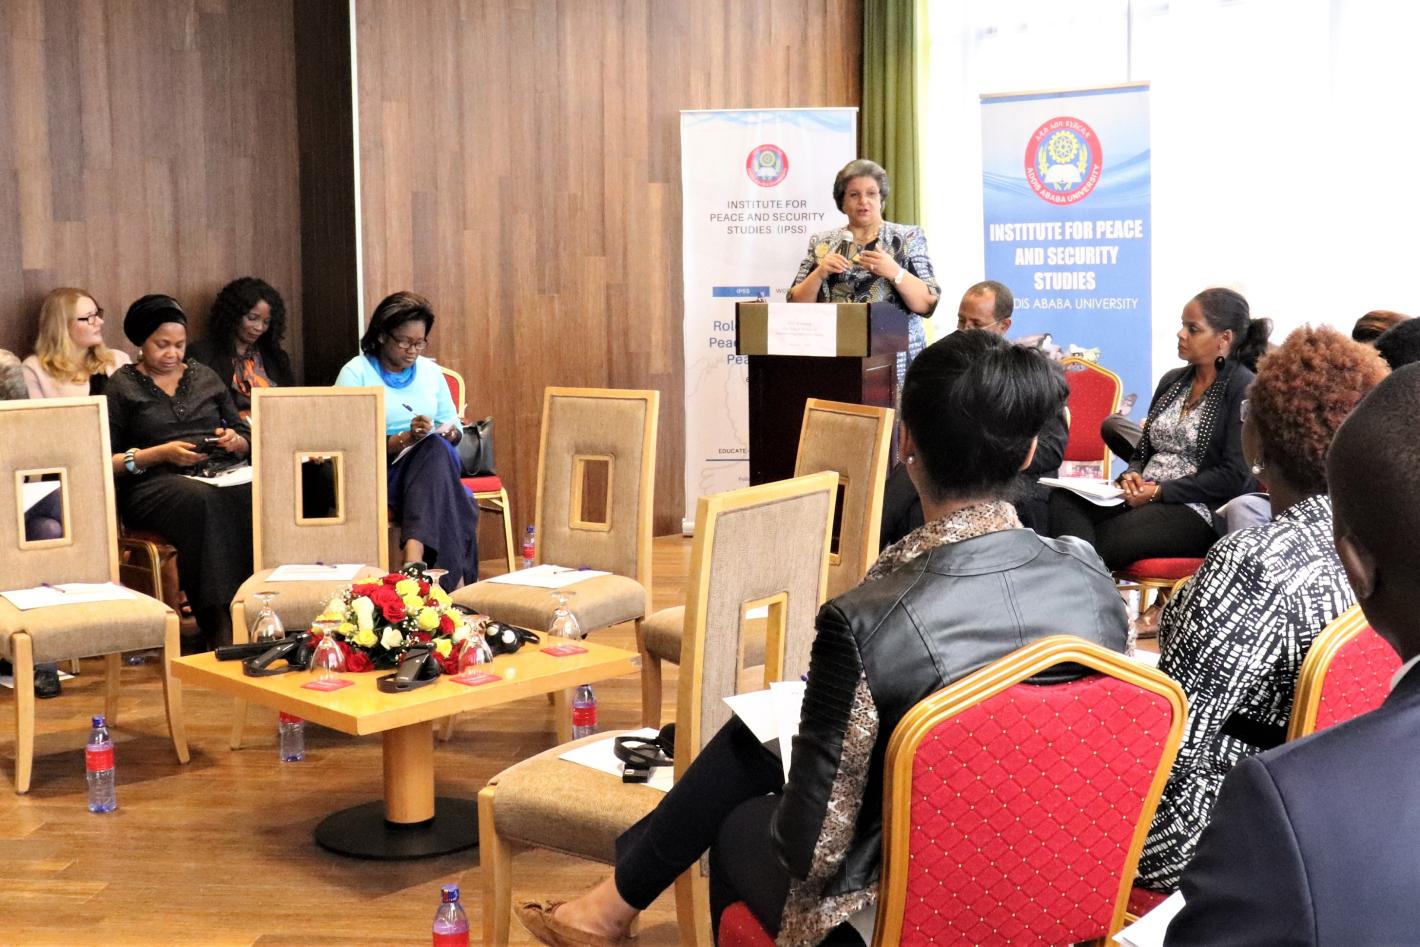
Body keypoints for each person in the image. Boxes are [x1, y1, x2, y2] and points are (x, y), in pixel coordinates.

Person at [513, 331, 1128, 947]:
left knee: (738, 821)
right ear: (1028, 453)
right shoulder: (1090, 579)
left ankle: (606, 910)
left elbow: (810, 852)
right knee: (757, 736)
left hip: (911, 914)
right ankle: (606, 910)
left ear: (906, 443)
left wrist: (802, 780)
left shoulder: (864, 620)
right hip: (1060, 890)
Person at [1164, 363, 1420, 945]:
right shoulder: (1363, 531)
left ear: (1359, 568)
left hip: (1235, 834)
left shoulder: (1254, 563)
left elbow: (1179, 744)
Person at [1134, 327, 1387, 893]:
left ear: (1259, 444)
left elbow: (1175, 740)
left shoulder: (1253, 563)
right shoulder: (1375, 546)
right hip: (1339, 813)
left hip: (1224, 827)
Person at [1048, 288, 1270, 570]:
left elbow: (1234, 476)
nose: (1181, 334)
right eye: (1182, 325)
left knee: (1097, 542)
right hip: (1146, 495)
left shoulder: (1243, 387)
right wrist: (1132, 475)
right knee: (1062, 501)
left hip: (1198, 508)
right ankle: (1087, 588)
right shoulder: (1172, 381)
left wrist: (1160, 492)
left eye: (1193, 329)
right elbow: (1143, 450)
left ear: (1224, 338)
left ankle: (1083, 589)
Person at [106, 295, 253, 648]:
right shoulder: (121, 386)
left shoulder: (204, 376)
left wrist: (235, 441)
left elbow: (244, 435)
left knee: (256, 492)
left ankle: (255, 609)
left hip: (217, 472)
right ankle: (217, 621)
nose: (172, 354)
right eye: (162, 345)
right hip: (151, 483)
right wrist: (158, 454)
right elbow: (103, 460)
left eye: (180, 345)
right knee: (202, 501)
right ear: (141, 343)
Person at [879, 280, 1067, 543]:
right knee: (902, 480)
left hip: (1006, 477)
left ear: (1004, 326)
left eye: (976, 324)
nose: (965, 330)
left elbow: (1052, 449)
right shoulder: (946, 365)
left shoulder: (1027, 375)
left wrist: (992, 453)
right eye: (961, 321)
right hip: (949, 467)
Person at [334, 291, 478, 590]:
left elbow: (454, 427)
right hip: (381, 472)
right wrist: (404, 439)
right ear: (382, 336)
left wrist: (448, 432)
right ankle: (455, 586)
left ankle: (414, 561)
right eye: (404, 342)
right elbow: (346, 442)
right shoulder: (356, 373)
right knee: (454, 494)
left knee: (436, 447)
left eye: (420, 343)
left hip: (432, 464)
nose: (413, 351)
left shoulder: (430, 372)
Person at [788, 159, 940, 385]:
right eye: (854, 195)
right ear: (842, 202)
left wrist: (895, 272)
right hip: (836, 359)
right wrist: (819, 273)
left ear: (881, 199)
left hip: (895, 363)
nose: (863, 201)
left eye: (871, 193)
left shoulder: (907, 238)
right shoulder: (822, 243)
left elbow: (928, 303)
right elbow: (795, 305)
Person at [1, 349, 65, 697]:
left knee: (48, 528)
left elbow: (28, 442)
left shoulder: (4, 368)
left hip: (11, 497)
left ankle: (39, 655)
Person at [187, 277, 295, 418]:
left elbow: (291, 403)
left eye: (266, 322)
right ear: (234, 315)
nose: (259, 327)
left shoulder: (276, 358)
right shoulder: (202, 354)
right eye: (252, 318)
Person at [21, 287, 131, 399]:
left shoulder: (118, 360)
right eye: (90, 317)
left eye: (97, 314)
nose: (100, 321)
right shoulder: (34, 369)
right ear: (63, 326)